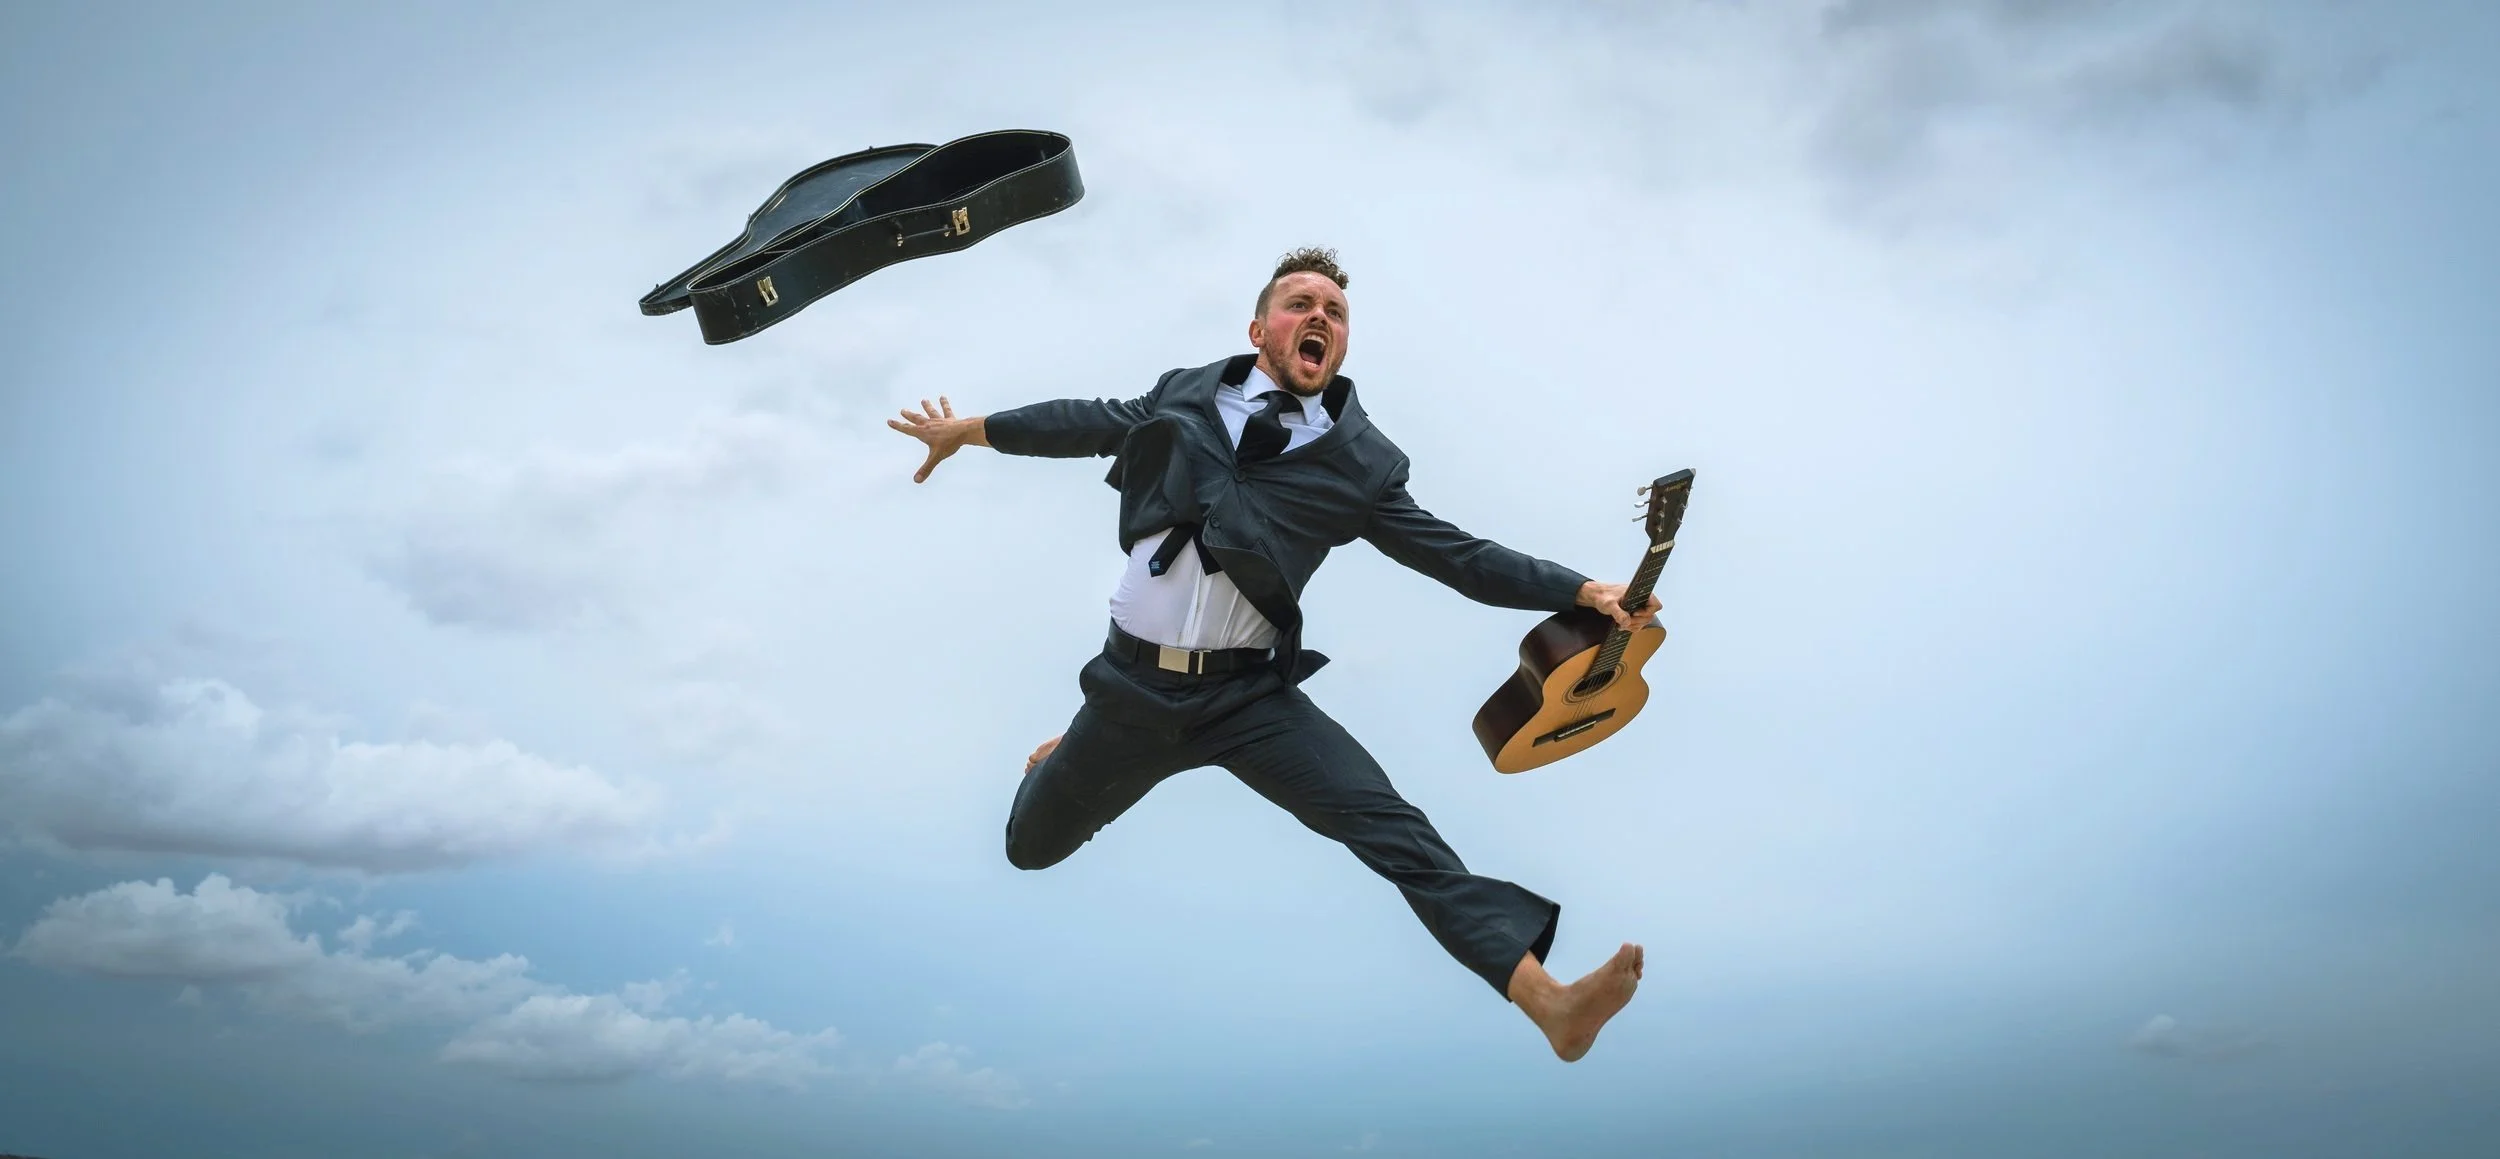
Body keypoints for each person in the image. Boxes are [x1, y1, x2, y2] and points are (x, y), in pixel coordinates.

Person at [887, 248, 1653, 1061]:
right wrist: (965, 431)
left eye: (1336, 310)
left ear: (1343, 345)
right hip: (1130, 694)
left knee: (1395, 830)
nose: (1320, 315)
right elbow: (1085, 420)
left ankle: (1548, 1002)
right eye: (1300, 303)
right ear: (1261, 329)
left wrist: (1579, 591)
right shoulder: (1183, 395)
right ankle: (1065, 754)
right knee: (1029, 847)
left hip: (1247, 701)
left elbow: (1456, 554)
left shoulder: (1362, 463)